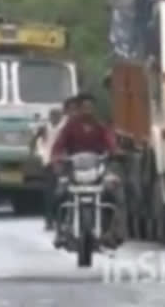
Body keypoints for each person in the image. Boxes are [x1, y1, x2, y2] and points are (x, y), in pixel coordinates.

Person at [50, 92, 122, 246]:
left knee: (112, 193)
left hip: (97, 170)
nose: (87, 110)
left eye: (90, 107)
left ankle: (112, 231)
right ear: (79, 108)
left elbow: (110, 142)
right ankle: (60, 230)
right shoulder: (70, 127)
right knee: (59, 194)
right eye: (84, 107)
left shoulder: (100, 127)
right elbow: (58, 146)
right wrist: (57, 158)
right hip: (73, 171)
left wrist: (115, 152)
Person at [34, 96, 79, 230]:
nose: (54, 117)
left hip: (64, 162)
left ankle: (64, 218)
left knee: (65, 192)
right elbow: (34, 141)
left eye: (56, 115)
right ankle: (49, 220)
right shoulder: (45, 128)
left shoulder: (66, 126)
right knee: (50, 193)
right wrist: (39, 152)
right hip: (49, 162)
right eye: (52, 115)